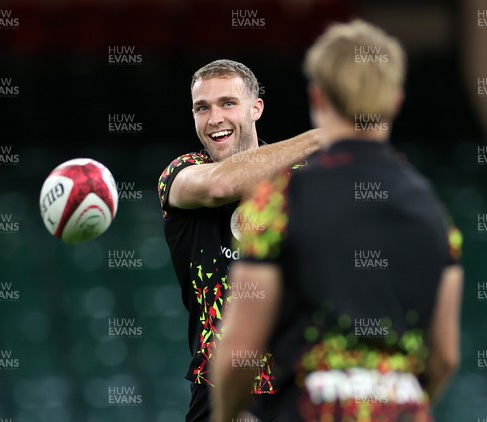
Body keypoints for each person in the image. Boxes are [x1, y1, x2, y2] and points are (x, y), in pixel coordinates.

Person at [212, 20, 464, 421]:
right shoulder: (434, 213)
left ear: (318, 98)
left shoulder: (279, 201)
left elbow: (239, 353)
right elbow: (446, 356)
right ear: (396, 101)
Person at [157, 59, 322, 422]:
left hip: (300, 387)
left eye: (227, 103)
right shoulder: (180, 174)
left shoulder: (305, 181)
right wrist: (320, 136)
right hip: (221, 386)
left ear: (256, 108)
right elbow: (221, 185)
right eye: (203, 107)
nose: (214, 117)